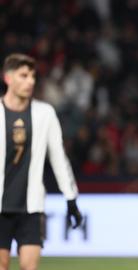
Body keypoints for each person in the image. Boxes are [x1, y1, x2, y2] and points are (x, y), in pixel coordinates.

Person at [0, 53, 83, 270]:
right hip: (0, 208)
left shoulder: (44, 113)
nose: (30, 82)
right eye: (24, 76)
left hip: (32, 206)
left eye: (33, 76)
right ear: (8, 78)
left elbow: (58, 157)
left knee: (30, 266)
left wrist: (71, 198)